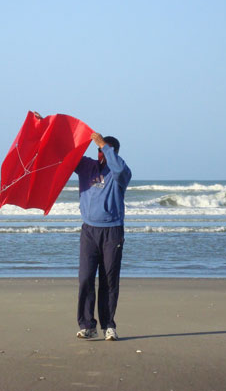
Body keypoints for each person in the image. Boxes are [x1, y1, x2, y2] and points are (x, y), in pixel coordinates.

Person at [74, 132, 132, 341]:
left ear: (114, 153)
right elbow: (64, 154)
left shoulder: (121, 172)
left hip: (112, 231)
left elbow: (118, 168)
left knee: (109, 280)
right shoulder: (86, 166)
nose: (101, 154)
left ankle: (109, 325)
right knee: (86, 279)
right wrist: (44, 125)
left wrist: (104, 145)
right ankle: (88, 325)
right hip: (89, 231)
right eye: (99, 150)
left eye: (106, 151)